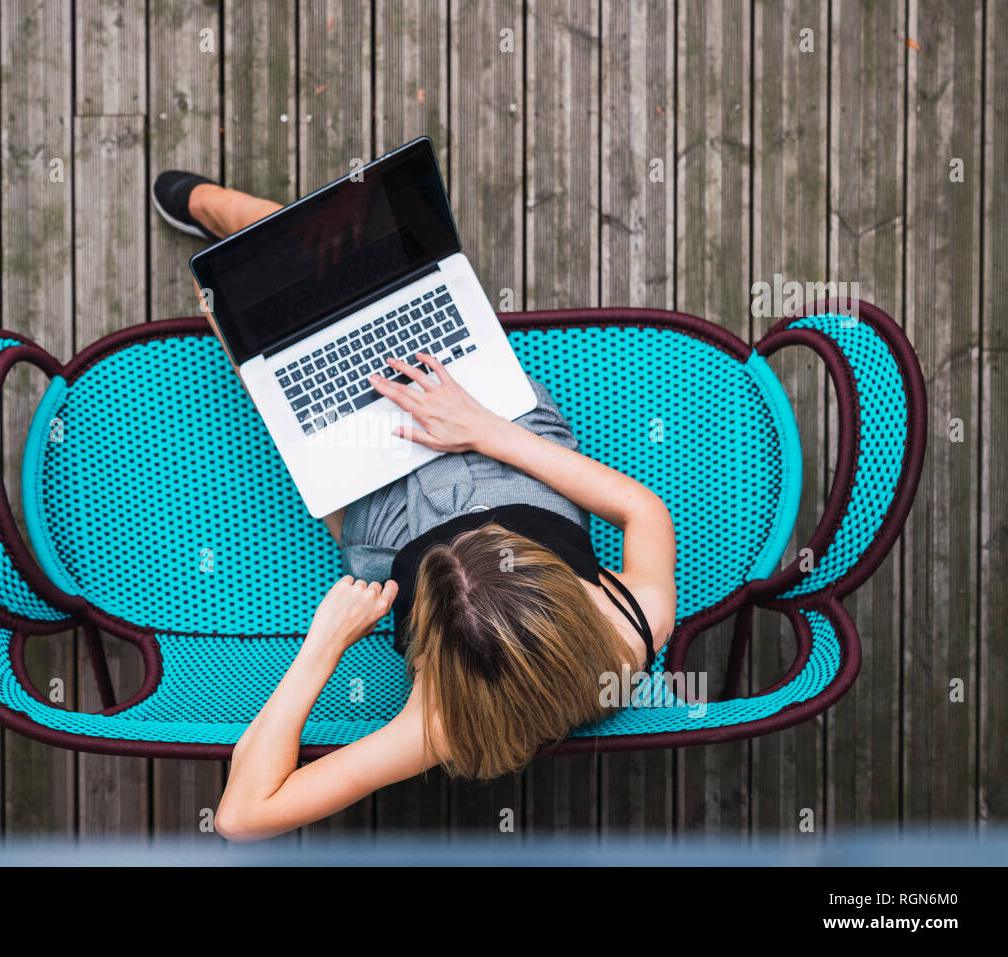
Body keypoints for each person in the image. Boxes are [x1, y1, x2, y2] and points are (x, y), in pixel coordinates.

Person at [151, 171, 678, 843]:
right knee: (377, 304)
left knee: (270, 339)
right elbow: (645, 512)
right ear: (559, 592)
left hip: (390, 520)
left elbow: (241, 814)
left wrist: (323, 646)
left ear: (439, 656)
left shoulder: (440, 721)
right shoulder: (629, 631)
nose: (464, 526)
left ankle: (240, 238)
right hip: (508, 449)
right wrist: (486, 429)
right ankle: (259, 240)